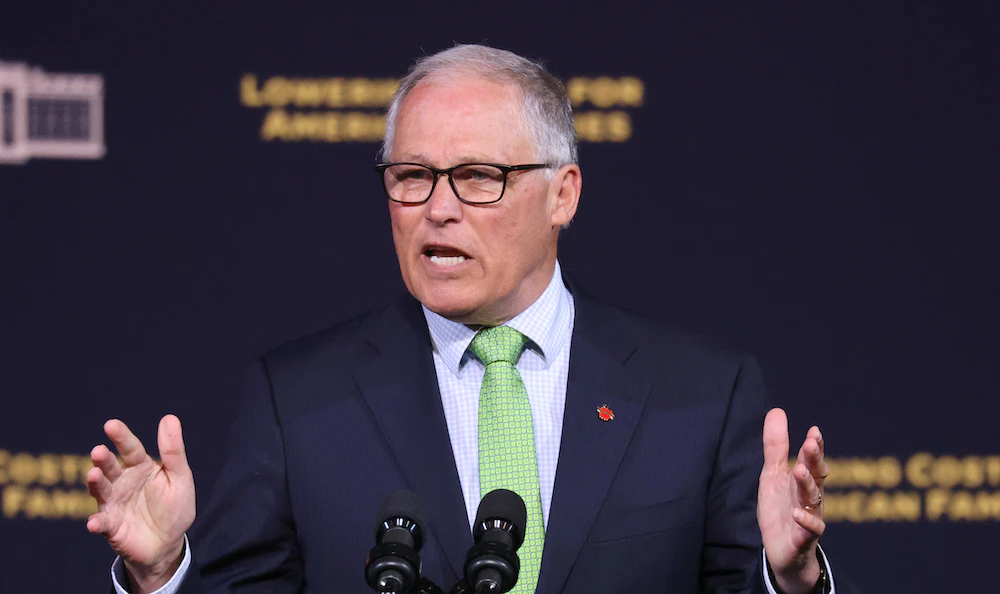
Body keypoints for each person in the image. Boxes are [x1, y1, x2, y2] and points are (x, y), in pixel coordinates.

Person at [87, 44, 854, 594]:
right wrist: (162, 576)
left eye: (479, 177)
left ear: (564, 195)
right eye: (412, 177)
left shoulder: (701, 393)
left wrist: (790, 583)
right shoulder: (299, 400)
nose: (439, 209)